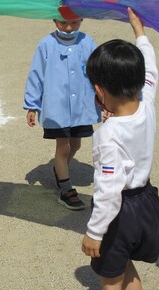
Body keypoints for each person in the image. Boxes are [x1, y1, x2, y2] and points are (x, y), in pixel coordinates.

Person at [80, 8, 159, 290]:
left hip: (121, 211)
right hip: (146, 202)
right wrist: (139, 33)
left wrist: (95, 232)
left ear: (99, 90)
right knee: (127, 266)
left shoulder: (108, 135)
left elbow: (109, 190)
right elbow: (152, 69)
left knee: (109, 281)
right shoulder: (147, 102)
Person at [24, 17, 101, 210]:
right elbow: (36, 74)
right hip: (56, 106)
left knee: (75, 144)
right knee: (63, 147)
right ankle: (65, 189)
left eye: (74, 23)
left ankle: (60, 169)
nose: (68, 27)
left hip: (80, 107)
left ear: (81, 20)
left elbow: (97, 71)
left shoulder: (87, 42)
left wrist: (105, 100)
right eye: (63, 22)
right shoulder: (46, 44)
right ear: (54, 19)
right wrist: (32, 105)